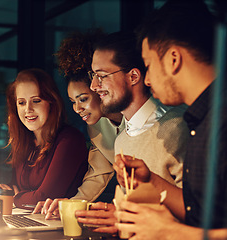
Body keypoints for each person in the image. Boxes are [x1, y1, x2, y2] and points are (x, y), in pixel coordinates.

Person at [113, 0, 227, 239]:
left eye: (149, 66)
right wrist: (151, 181)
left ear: (173, 59)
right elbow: (202, 213)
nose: (146, 80)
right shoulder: (201, 120)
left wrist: (171, 232)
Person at [75, 31, 188, 234]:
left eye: (101, 76)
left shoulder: (178, 127)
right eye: (93, 77)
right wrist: (118, 214)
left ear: (133, 76)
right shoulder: (122, 140)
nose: (94, 86)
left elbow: (198, 212)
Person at [32, 30, 125, 222]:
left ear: (98, 89)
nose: (77, 108)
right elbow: (98, 173)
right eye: (73, 102)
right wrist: (71, 206)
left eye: (83, 99)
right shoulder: (96, 127)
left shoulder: (138, 120)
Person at [0, 68, 89, 208]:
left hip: (60, 225)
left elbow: (45, 198)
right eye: (21, 102)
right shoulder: (25, 142)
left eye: (36, 101)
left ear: (51, 103)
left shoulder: (70, 139)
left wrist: (16, 198)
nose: (28, 109)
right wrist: (1, 193)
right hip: (30, 221)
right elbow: (13, 187)